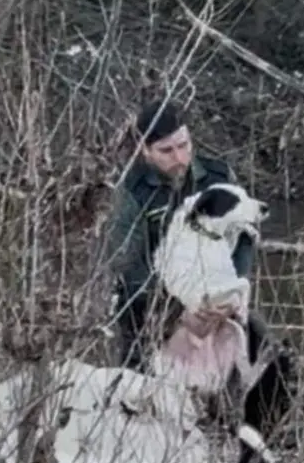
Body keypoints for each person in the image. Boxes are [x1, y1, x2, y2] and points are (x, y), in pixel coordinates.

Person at [101, 99, 280, 373]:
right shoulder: (131, 191)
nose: (180, 158)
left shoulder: (217, 177)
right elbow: (128, 264)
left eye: (184, 145)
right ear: (145, 151)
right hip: (153, 299)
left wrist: (232, 291)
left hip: (216, 290)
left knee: (265, 351)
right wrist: (180, 308)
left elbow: (243, 234)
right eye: (167, 151)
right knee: (142, 372)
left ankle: (256, 410)